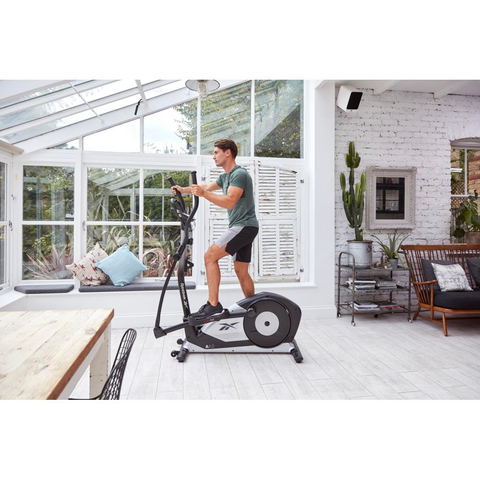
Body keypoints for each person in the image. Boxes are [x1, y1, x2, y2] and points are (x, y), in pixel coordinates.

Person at [172, 138, 259, 318]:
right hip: (245, 226)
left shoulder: (239, 174)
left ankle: (213, 305)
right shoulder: (225, 176)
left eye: (216, 152)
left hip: (243, 225)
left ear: (228, 152)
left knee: (209, 256)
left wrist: (204, 194)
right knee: (241, 270)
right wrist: (184, 189)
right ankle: (257, 310)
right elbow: (204, 187)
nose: (213, 157)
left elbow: (229, 202)